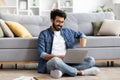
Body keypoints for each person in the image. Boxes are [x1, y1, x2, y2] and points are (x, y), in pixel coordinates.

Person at [38, 9, 100, 78]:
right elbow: (42, 54)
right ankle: (79, 72)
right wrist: (59, 57)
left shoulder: (68, 31)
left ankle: (62, 71)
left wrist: (83, 41)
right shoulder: (43, 34)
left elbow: (81, 34)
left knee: (91, 60)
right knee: (56, 61)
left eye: (62, 22)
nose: (60, 24)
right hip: (52, 62)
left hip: (68, 61)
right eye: (58, 21)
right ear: (52, 20)